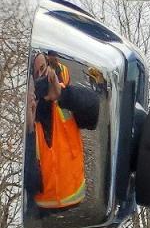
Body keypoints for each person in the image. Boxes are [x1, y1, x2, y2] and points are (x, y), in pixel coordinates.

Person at [25, 51, 99, 214]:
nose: (40, 76)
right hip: (40, 210)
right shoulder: (27, 114)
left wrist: (63, 95)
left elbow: (94, 110)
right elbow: (29, 181)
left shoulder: (64, 97)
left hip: (76, 203)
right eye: (35, 73)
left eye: (43, 69)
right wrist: (29, 129)